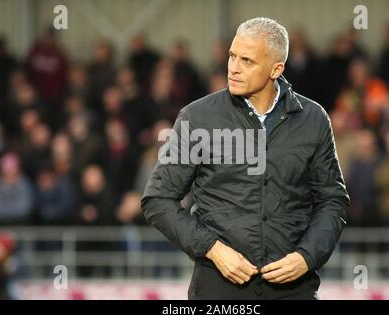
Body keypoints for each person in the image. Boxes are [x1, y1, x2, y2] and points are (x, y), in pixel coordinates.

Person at [142, 17, 349, 300]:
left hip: (294, 290)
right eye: (232, 56)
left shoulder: (313, 120)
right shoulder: (197, 118)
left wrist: (306, 257)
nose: (233, 68)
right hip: (217, 290)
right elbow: (157, 199)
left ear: (276, 69)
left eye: (247, 61)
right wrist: (212, 249)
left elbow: (332, 200)